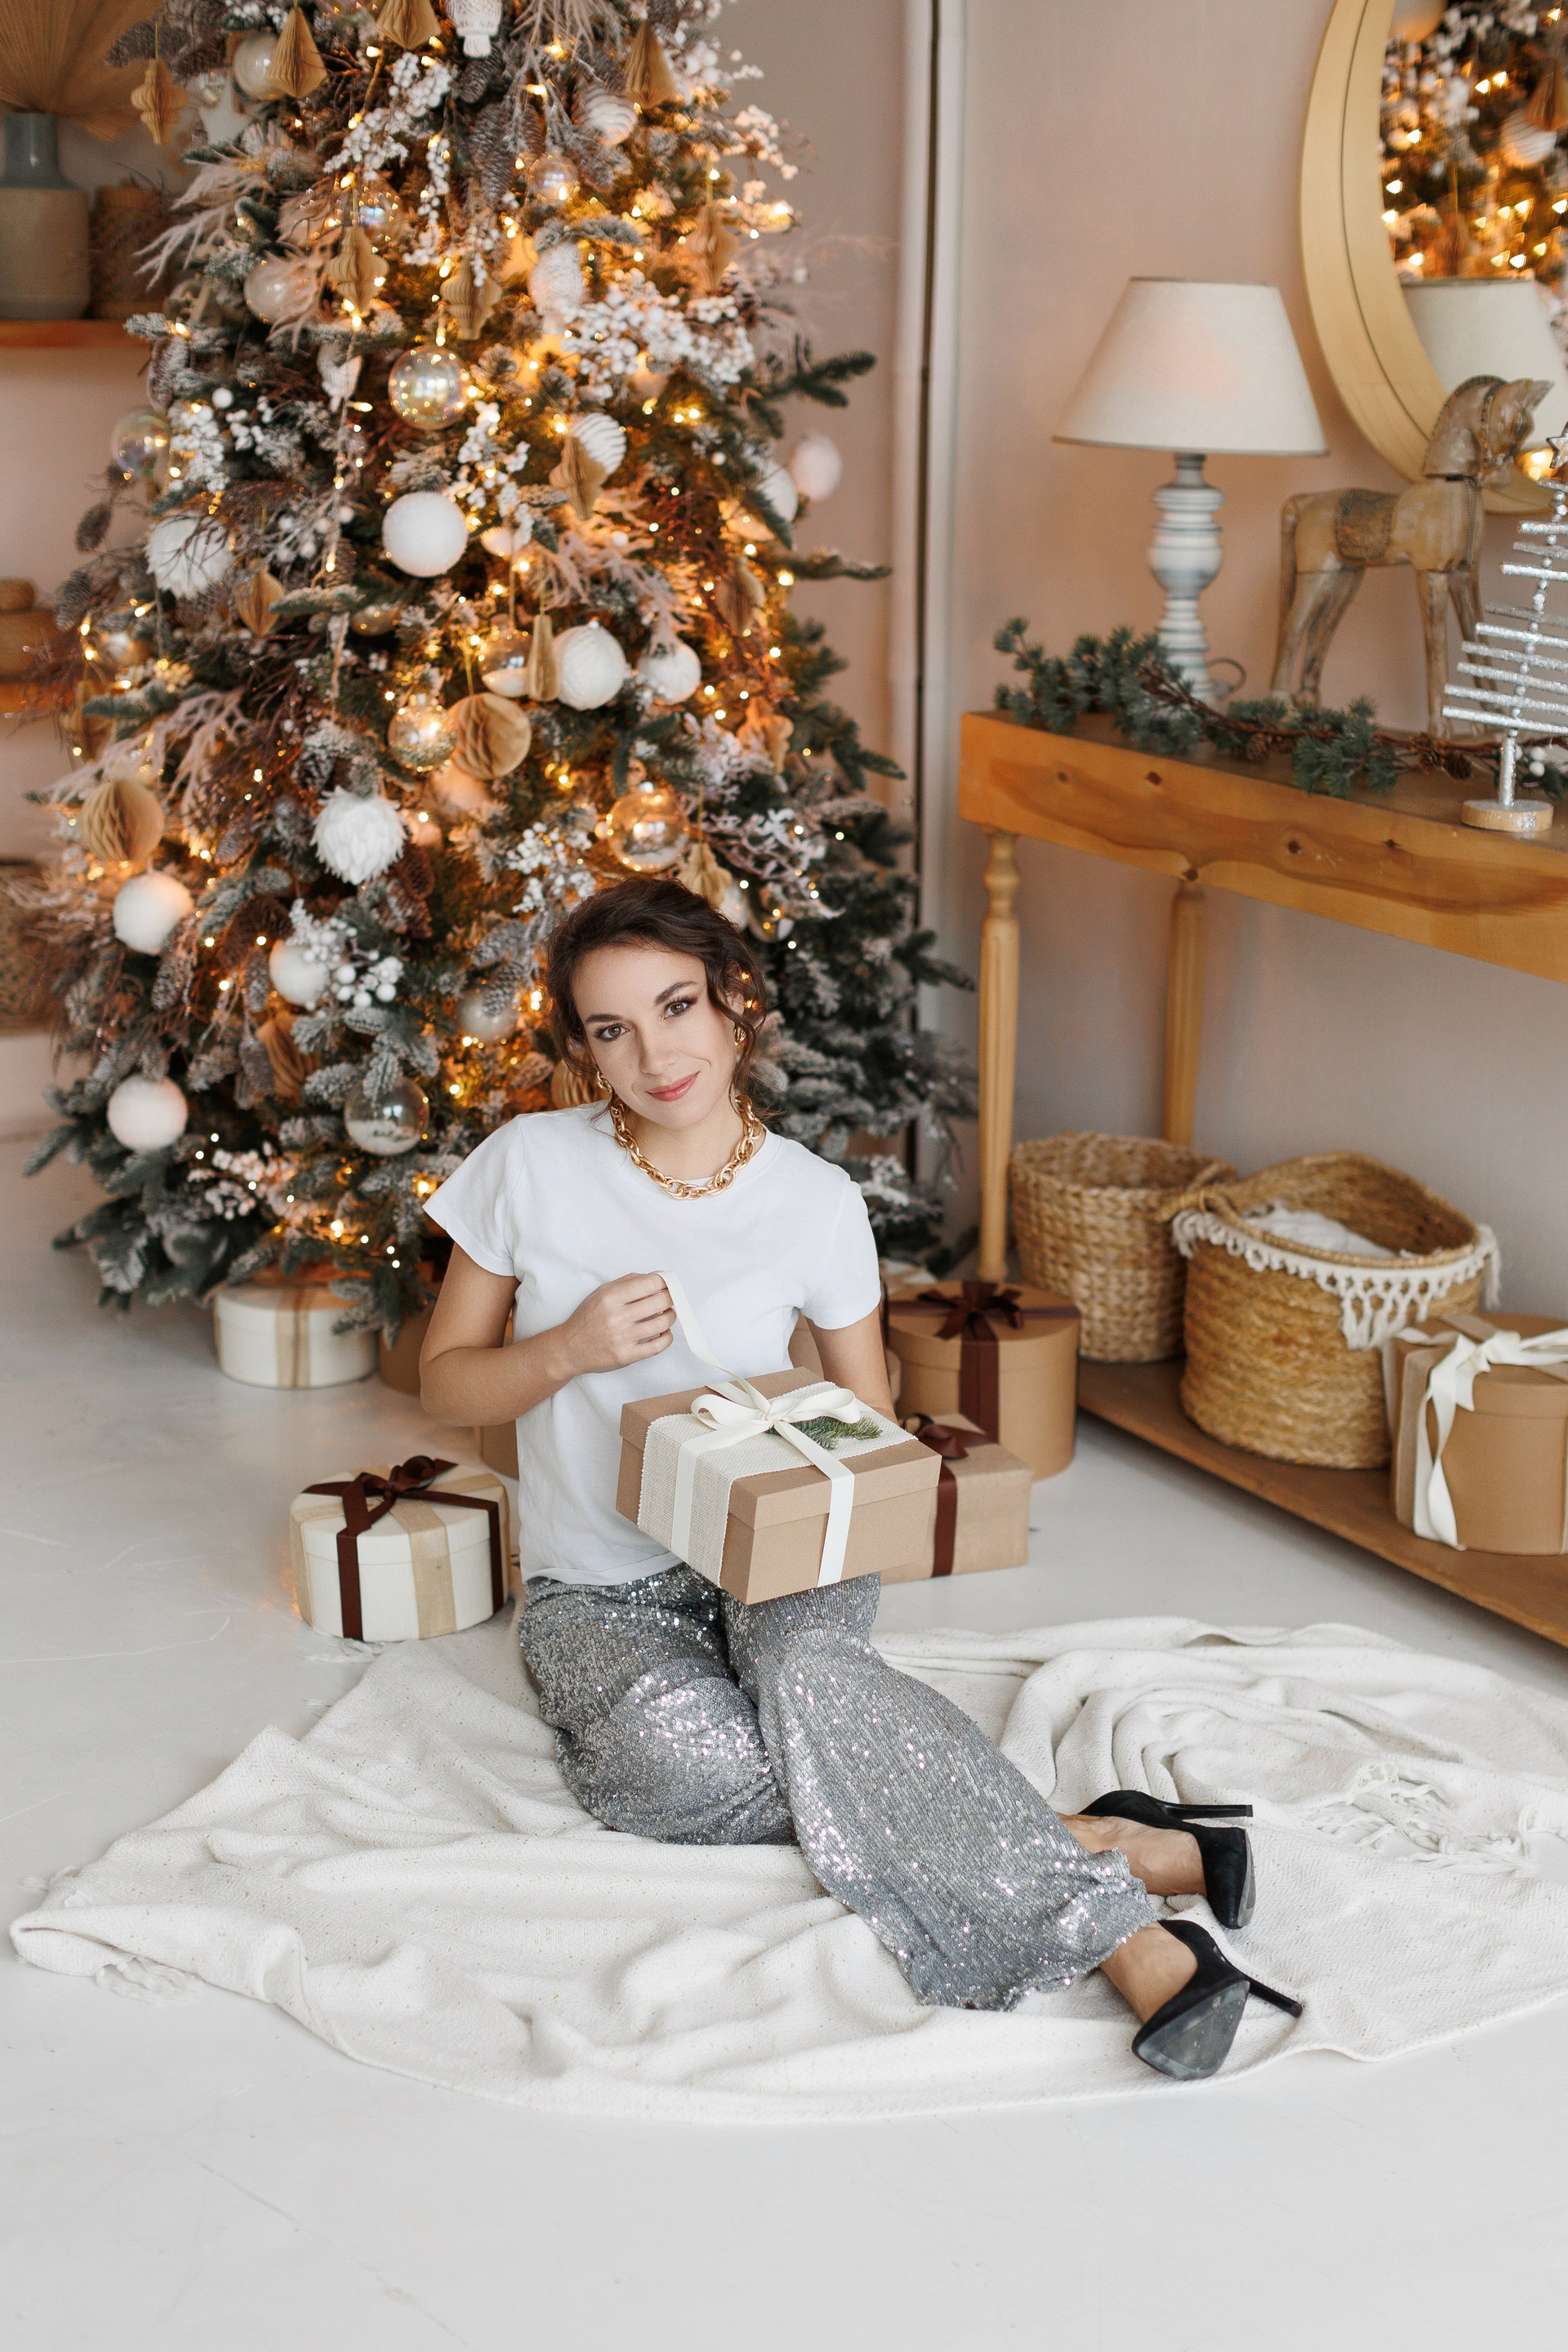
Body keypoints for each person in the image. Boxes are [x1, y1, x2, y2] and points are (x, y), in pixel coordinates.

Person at [420, 878, 1298, 2079]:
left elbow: (869, 1425)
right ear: (583, 1049)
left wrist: (794, 1461)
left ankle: (1134, 1945)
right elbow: (447, 1386)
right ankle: (1103, 1841)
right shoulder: (529, 1165)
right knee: (670, 1775)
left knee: (811, 1679)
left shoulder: (816, 1203)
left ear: (734, 1004)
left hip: (783, 1552)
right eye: (613, 1029)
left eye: (677, 1007)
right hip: (599, 1589)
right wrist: (567, 1348)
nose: (656, 1056)